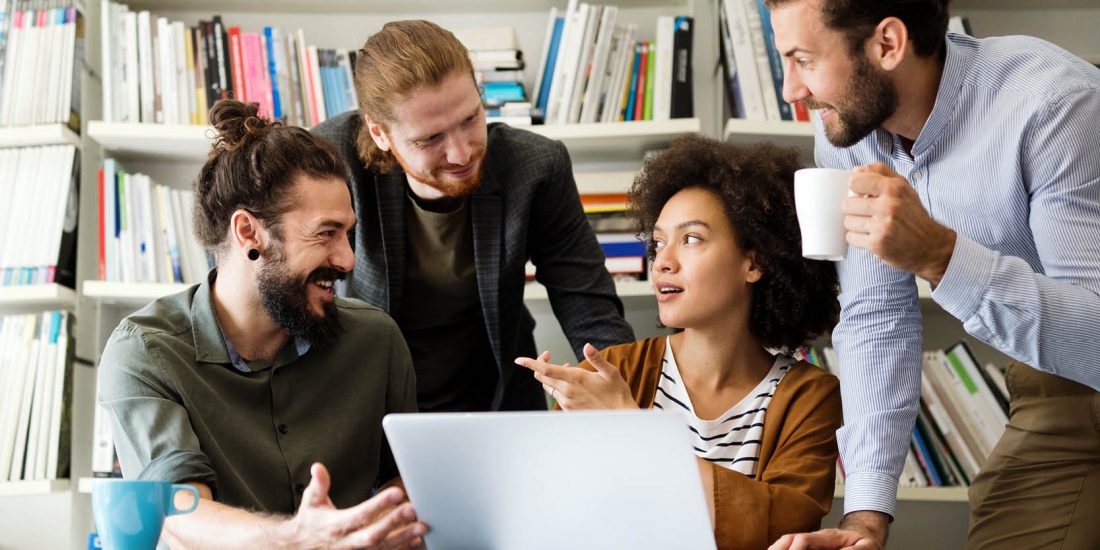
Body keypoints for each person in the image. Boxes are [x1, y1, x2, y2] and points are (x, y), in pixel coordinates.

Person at [762, 0, 1100, 548]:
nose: (790, 90)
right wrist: (865, 518)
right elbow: (878, 317)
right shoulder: (850, 131)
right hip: (1056, 390)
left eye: (803, 59)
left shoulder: (1051, 102)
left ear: (888, 44)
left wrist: (941, 257)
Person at [97, 100, 426, 549]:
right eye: (325, 233)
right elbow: (179, 510)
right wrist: (295, 539)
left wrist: (373, 524)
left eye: (348, 233)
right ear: (249, 233)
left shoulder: (377, 340)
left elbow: (404, 479)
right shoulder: (145, 351)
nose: (348, 260)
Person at [517, 136, 843, 549]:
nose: (663, 261)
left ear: (754, 263)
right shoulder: (609, 375)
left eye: (691, 239)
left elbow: (783, 524)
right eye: (658, 242)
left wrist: (629, 427)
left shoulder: (810, 396)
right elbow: (558, 520)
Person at [312, 20, 634, 414]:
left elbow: (587, 299)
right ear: (380, 133)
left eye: (470, 119)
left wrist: (627, 401)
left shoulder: (535, 167)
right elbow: (300, 289)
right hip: (368, 400)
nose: (462, 154)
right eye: (431, 138)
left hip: (499, 400)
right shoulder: (329, 159)